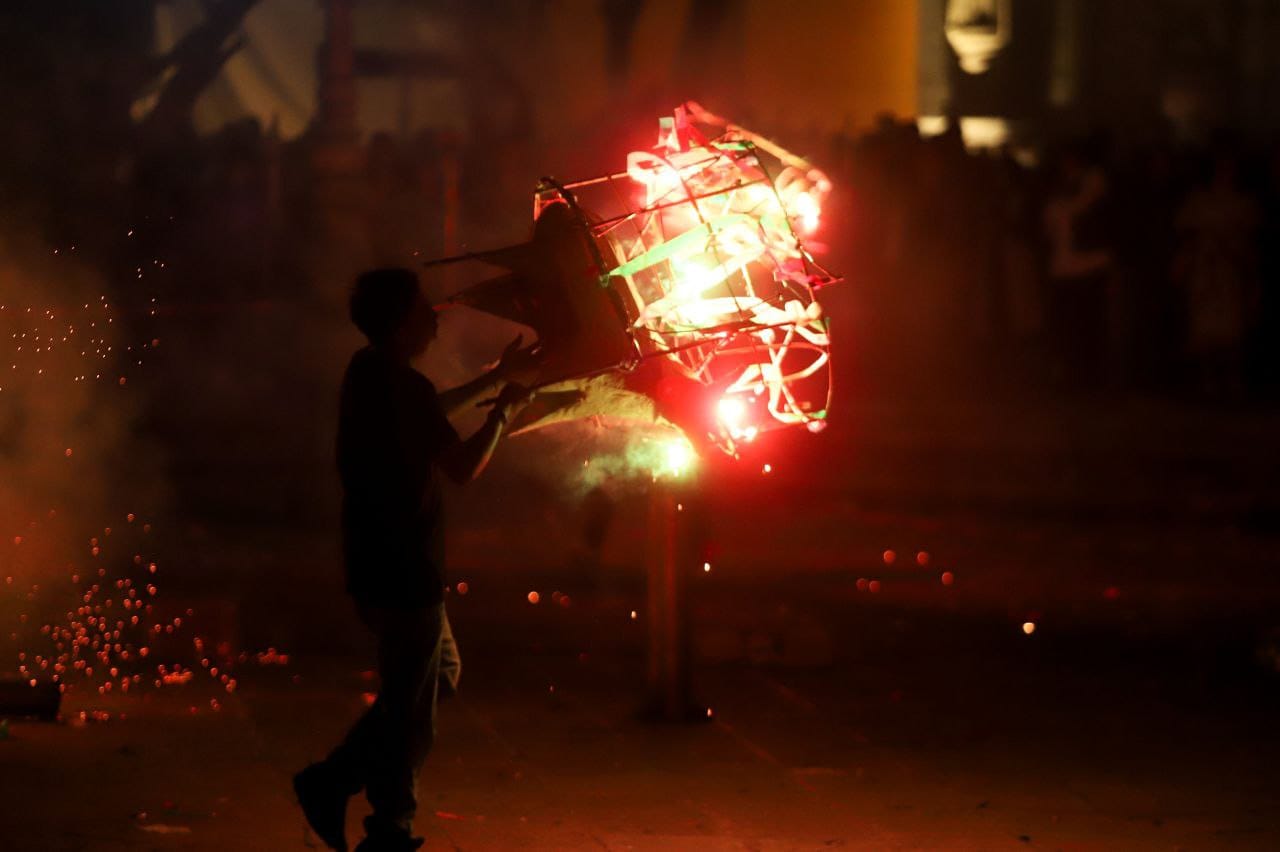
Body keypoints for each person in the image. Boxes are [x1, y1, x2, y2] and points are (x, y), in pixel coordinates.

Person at [294, 268, 539, 852]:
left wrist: (495, 379)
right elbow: (459, 467)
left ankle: (336, 780)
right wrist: (504, 410)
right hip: (405, 566)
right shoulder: (403, 388)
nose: (435, 318)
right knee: (411, 711)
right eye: (424, 310)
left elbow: (430, 410)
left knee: (435, 679)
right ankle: (387, 824)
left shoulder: (370, 371)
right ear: (403, 322)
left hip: (376, 557)